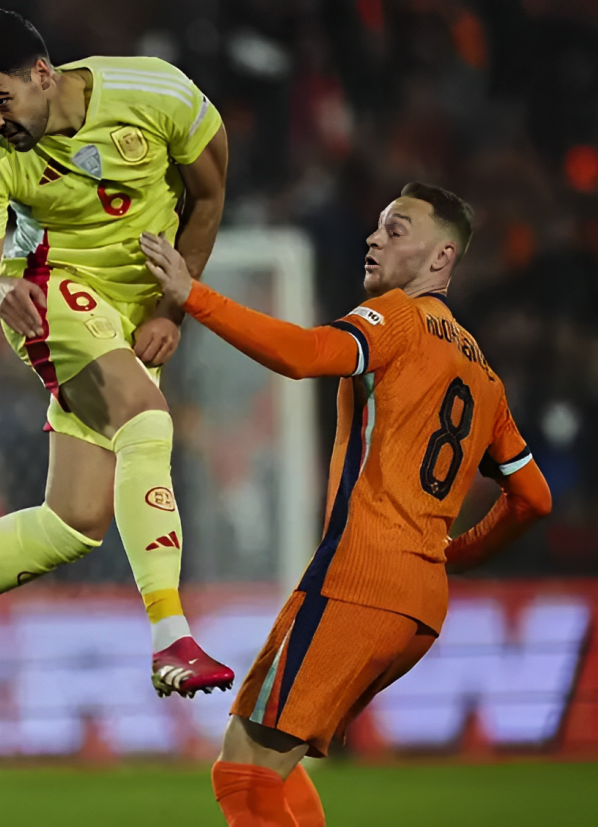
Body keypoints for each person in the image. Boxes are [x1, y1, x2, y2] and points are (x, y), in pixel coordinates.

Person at [0, 8, 234, 715]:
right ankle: (172, 636)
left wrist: (171, 308)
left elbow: (208, 197)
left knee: (75, 520)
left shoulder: (160, 96)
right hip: (49, 292)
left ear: (42, 74)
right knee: (146, 420)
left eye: (0, 102)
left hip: (136, 309)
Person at [141, 183, 554, 826]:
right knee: (275, 761)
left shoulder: (395, 317)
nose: (374, 238)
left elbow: (305, 356)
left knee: (245, 774)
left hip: (358, 579)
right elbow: (533, 498)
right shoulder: (485, 375)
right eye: (378, 225)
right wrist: (455, 557)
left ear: (442, 256)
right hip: (416, 602)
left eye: (397, 229)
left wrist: (192, 295)